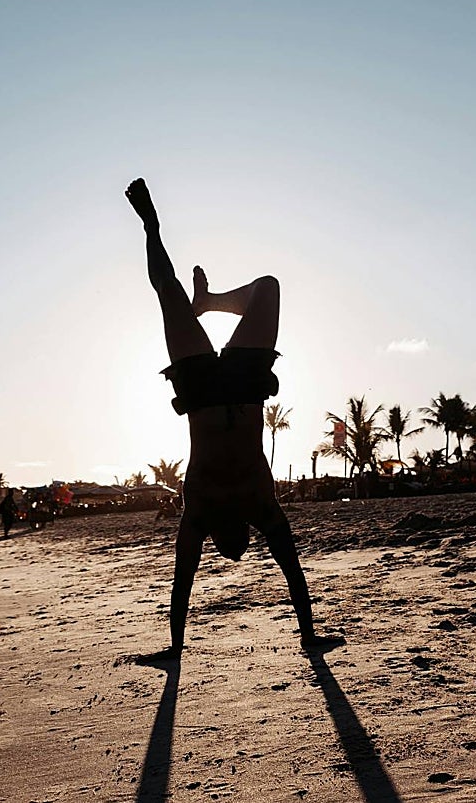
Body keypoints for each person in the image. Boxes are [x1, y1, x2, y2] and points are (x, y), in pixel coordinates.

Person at [125, 178, 341, 661]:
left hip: (202, 391)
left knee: (168, 294)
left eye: (231, 551)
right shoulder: (261, 507)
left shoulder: (198, 511)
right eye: (244, 549)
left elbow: (183, 583)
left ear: (217, 540)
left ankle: (151, 226)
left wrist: (174, 647)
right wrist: (309, 636)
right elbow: (292, 570)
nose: (241, 550)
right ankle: (213, 302)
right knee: (269, 289)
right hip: (243, 386)